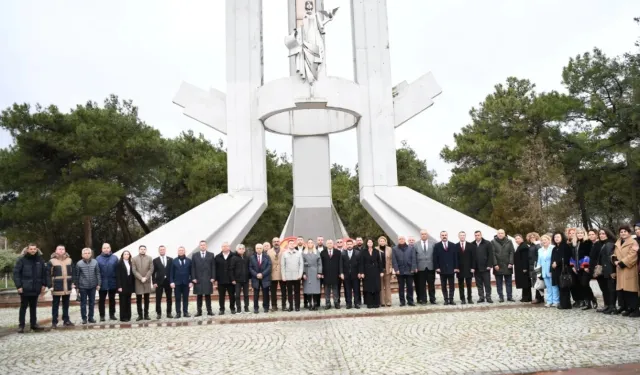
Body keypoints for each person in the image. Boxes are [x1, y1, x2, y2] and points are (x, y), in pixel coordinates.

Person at [13, 244, 47, 333]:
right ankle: (21, 326)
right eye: (31, 249)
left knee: (33, 307)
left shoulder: (40, 260)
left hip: (36, 288)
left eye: (34, 249)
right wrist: (19, 286)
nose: (33, 250)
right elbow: (16, 274)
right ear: (27, 250)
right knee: (23, 307)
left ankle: (33, 325)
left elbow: (44, 273)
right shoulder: (21, 260)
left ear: (36, 250)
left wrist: (44, 284)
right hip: (25, 288)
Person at [613, 226, 639, 317]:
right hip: (619, 269)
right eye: (621, 232)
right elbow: (614, 253)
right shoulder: (618, 242)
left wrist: (622, 263)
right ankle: (627, 307)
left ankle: (635, 309)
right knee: (622, 290)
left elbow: (633, 255)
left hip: (629, 269)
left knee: (631, 290)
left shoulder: (633, 242)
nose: (623, 233)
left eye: (625, 231)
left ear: (629, 232)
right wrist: (614, 260)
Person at [47, 245, 74, 328]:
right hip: (56, 286)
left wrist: (73, 282)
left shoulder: (69, 260)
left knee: (66, 304)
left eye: (63, 249)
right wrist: (50, 285)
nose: (61, 250)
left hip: (67, 286)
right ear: (56, 250)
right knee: (55, 304)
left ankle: (66, 320)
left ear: (65, 250)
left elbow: (73, 272)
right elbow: (47, 274)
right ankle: (54, 322)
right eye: (59, 249)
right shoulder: (51, 261)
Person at [74, 247, 101, 324]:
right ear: (82, 254)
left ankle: (91, 317)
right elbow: (77, 276)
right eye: (85, 253)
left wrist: (99, 284)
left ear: (91, 254)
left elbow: (98, 273)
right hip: (83, 287)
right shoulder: (79, 263)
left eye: (88, 253)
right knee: (83, 303)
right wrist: (77, 287)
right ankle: (84, 318)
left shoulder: (95, 262)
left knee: (92, 303)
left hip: (93, 286)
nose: (87, 254)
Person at [192, 240, 215, 316]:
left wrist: (213, 277)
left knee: (208, 295)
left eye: (204, 245)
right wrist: (193, 277)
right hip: (198, 279)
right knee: (199, 295)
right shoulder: (195, 255)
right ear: (199, 246)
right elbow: (193, 268)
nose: (202, 246)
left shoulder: (211, 255)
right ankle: (199, 311)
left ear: (206, 246)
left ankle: (209, 311)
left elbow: (213, 267)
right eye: (201, 245)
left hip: (208, 278)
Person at [392, 235, 417, 306]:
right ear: (398, 240)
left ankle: (410, 301)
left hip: (409, 270)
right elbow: (394, 260)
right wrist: (396, 269)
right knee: (401, 287)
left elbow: (413, 259)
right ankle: (402, 301)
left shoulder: (411, 248)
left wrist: (413, 268)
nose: (401, 240)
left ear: (405, 239)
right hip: (400, 271)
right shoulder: (394, 249)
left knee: (410, 287)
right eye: (400, 239)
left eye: (402, 239)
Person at [595, 228, 616, 314]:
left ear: (608, 234)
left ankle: (612, 307)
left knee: (610, 289)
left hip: (609, 270)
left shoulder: (609, 244)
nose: (601, 235)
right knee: (607, 289)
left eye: (603, 234)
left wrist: (611, 272)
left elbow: (609, 259)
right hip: (605, 270)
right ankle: (608, 306)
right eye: (600, 234)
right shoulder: (604, 244)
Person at [434, 231, 458, 305]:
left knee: (452, 285)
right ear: (440, 236)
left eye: (445, 235)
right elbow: (435, 258)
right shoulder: (437, 246)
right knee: (443, 286)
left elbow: (456, 257)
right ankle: (446, 300)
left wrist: (456, 267)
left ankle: (451, 299)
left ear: (447, 236)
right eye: (442, 235)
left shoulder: (453, 245)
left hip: (451, 269)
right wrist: (437, 267)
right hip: (442, 269)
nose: (444, 236)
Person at [96, 243, 118, 322]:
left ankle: (112, 315)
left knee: (112, 300)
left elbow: (117, 271)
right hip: (102, 283)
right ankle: (102, 315)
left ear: (110, 248)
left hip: (112, 282)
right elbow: (96, 272)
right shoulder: (98, 258)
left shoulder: (115, 258)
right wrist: (97, 283)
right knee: (102, 300)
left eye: (107, 248)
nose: (106, 249)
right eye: (104, 248)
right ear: (102, 249)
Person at [492, 229, 515, 302]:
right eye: (499, 233)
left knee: (509, 283)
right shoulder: (493, 242)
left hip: (508, 265)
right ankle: (501, 297)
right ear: (497, 234)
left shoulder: (509, 241)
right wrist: (495, 264)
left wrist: (511, 263)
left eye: (502, 233)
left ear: (504, 234)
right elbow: (492, 254)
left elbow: (512, 252)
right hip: (498, 266)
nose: (500, 234)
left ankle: (509, 297)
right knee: (499, 283)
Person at [169, 246, 193, 318]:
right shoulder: (174, 261)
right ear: (178, 252)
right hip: (177, 283)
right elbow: (171, 273)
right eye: (179, 250)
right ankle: (178, 313)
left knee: (186, 298)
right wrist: (171, 282)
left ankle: (185, 312)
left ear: (184, 251)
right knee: (177, 298)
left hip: (186, 283)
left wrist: (191, 281)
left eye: (182, 250)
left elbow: (191, 272)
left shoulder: (189, 260)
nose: (181, 251)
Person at [132, 245, 154, 321]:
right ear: (139, 250)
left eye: (144, 249)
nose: (142, 250)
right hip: (138, 281)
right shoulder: (134, 259)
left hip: (147, 281)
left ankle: (146, 314)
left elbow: (151, 269)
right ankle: (140, 315)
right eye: (141, 249)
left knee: (147, 299)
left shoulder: (149, 258)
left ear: (146, 250)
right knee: (138, 299)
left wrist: (146, 277)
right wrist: (141, 278)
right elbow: (134, 270)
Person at [471, 231, 493, 303]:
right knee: (479, 284)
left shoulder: (487, 243)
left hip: (485, 268)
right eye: (476, 235)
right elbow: (471, 257)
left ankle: (488, 297)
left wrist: (489, 265)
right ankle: (481, 297)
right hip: (476, 268)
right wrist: (473, 267)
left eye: (478, 235)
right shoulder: (472, 244)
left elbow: (490, 255)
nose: (477, 236)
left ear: (481, 235)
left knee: (487, 284)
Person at [281, 240, 304, 311]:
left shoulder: (298, 253)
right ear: (288, 245)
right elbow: (283, 266)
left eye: (293, 243)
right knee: (289, 292)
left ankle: (297, 306)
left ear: (295, 245)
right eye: (290, 243)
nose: (291, 244)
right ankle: (290, 306)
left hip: (297, 276)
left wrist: (300, 275)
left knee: (297, 292)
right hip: (288, 277)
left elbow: (301, 265)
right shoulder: (284, 254)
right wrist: (283, 276)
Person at [415, 229, 436, 305]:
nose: (423, 235)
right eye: (422, 234)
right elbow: (414, 257)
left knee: (431, 284)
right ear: (420, 235)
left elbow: (435, 256)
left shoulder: (433, 243)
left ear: (427, 235)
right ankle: (424, 300)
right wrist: (415, 267)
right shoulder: (416, 244)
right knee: (422, 285)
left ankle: (432, 299)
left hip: (431, 267)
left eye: (425, 234)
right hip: (421, 268)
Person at [249, 243, 271, 313]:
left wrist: (262, 274)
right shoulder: (252, 257)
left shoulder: (267, 257)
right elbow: (250, 267)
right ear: (255, 249)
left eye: (260, 248)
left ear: (262, 249)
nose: (259, 249)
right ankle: (256, 308)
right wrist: (256, 274)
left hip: (265, 278)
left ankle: (266, 307)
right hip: (255, 278)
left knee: (266, 294)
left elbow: (269, 267)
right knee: (256, 294)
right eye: (257, 248)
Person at [152, 245, 173, 319]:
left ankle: (169, 312)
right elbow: (153, 272)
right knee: (158, 298)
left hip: (168, 282)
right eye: (160, 250)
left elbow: (172, 272)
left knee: (169, 298)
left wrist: (172, 281)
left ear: (165, 250)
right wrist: (154, 282)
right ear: (159, 251)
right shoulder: (155, 260)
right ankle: (158, 313)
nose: (162, 251)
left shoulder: (170, 259)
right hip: (159, 282)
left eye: (163, 249)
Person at [552, 232, 572, 310]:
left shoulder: (565, 246)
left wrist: (557, 263)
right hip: (556, 270)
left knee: (564, 286)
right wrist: (553, 264)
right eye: (555, 237)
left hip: (563, 269)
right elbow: (552, 258)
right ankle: (562, 303)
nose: (556, 238)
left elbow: (566, 258)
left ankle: (566, 304)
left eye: (558, 237)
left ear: (562, 237)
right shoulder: (554, 248)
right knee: (560, 287)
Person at [215, 242, 236, 315]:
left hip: (231, 280)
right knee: (221, 296)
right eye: (223, 246)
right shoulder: (217, 257)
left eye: (226, 246)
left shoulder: (234, 256)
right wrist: (215, 279)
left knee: (232, 295)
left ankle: (232, 308)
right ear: (221, 248)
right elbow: (215, 269)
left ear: (229, 247)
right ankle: (222, 309)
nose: (225, 247)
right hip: (221, 280)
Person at [361, 239, 384, 308]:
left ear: (373, 243)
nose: (370, 243)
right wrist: (362, 272)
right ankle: (369, 303)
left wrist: (381, 271)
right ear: (366, 243)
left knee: (376, 286)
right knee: (368, 287)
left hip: (376, 271)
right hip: (367, 271)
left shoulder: (376, 251)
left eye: (371, 242)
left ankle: (376, 303)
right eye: (368, 242)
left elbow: (379, 262)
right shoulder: (363, 252)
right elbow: (361, 263)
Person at [320, 239, 342, 309]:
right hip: (326, 274)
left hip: (335, 274)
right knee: (327, 290)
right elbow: (321, 264)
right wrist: (321, 273)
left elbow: (340, 263)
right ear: (326, 245)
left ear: (333, 244)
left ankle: (336, 303)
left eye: (331, 243)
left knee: (335, 289)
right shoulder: (322, 253)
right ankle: (328, 303)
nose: (329, 244)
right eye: (328, 243)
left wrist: (340, 272)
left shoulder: (338, 252)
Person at [341, 239, 362, 309]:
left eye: (350, 244)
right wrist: (341, 273)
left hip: (355, 275)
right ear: (346, 245)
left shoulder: (357, 253)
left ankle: (356, 303)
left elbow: (360, 264)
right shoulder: (343, 253)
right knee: (347, 290)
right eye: (348, 244)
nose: (349, 245)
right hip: (346, 275)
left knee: (356, 289)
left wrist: (360, 272)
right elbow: (341, 264)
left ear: (353, 245)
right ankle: (348, 303)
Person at [302, 239, 323, 311]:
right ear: (307, 244)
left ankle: (315, 304)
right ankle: (310, 304)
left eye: (311, 242)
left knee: (315, 289)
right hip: (307, 272)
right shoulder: (304, 253)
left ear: (313, 244)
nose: (310, 243)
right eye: (309, 242)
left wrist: (319, 273)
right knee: (308, 289)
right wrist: (304, 273)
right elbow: (302, 263)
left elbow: (320, 263)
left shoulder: (317, 252)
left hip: (315, 272)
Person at [537, 235, 557, 307]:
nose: (544, 241)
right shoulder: (540, 250)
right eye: (542, 240)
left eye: (545, 240)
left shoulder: (553, 248)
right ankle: (549, 301)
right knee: (548, 287)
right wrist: (538, 273)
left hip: (552, 270)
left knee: (554, 286)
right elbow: (539, 262)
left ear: (549, 240)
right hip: (544, 271)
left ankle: (556, 301)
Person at [455, 231, 474, 304]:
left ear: (465, 236)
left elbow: (473, 257)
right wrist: (456, 267)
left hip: (469, 268)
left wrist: (473, 267)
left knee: (469, 285)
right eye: (461, 235)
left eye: (463, 235)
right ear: (459, 236)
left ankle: (469, 298)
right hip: (459, 269)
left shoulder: (471, 245)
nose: (462, 236)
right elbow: (455, 258)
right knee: (461, 285)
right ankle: (462, 299)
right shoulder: (455, 246)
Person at [116, 250, 135, 322]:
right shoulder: (119, 264)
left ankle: (128, 316)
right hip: (122, 285)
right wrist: (119, 286)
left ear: (129, 255)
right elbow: (118, 276)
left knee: (128, 301)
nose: (126, 255)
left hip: (129, 285)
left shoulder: (131, 263)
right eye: (125, 254)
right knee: (123, 302)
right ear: (122, 255)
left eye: (128, 254)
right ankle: (123, 317)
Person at [266, 239, 285, 312]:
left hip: (282, 273)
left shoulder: (284, 250)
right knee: (273, 291)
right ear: (272, 243)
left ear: (279, 242)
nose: (276, 243)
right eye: (274, 241)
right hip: (272, 273)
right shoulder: (268, 252)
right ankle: (274, 306)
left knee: (284, 291)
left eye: (277, 241)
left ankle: (284, 305)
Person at [231, 244, 250, 313]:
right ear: (237, 250)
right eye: (240, 248)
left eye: (242, 248)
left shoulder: (247, 258)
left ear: (244, 250)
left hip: (245, 280)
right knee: (237, 295)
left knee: (246, 295)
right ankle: (238, 309)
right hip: (237, 281)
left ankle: (246, 308)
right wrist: (233, 279)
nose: (241, 250)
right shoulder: (234, 258)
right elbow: (231, 269)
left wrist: (249, 277)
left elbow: (249, 268)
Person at [527, 233, 544, 304]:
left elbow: (539, 255)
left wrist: (537, 265)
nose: (532, 238)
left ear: (537, 237)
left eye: (533, 237)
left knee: (538, 282)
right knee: (536, 282)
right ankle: (540, 297)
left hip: (536, 266)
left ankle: (538, 298)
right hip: (532, 266)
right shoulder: (532, 245)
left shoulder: (537, 245)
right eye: (530, 237)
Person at [514, 234, 531, 302]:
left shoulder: (524, 246)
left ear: (522, 239)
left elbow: (525, 258)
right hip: (520, 268)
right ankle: (525, 297)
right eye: (516, 239)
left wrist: (525, 268)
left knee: (525, 283)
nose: (517, 240)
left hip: (523, 268)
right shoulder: (520, 246)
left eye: (518, 238)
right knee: (524, 283)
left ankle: (527, 297)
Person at [377, 236, 393, 307]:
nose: (382, 242)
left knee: (387, 286)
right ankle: (382, 302)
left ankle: (388, 301)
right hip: (379, 271)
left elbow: (392, 260)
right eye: (380, 241)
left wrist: (391, 268)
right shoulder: (376, 249)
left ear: (385, 242)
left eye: (383, 241)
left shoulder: (389, 249)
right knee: (380, 286)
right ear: (378, 242)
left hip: (387, 270)